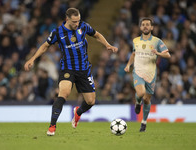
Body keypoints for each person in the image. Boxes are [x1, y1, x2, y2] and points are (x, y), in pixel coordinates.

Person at [24, 8, 118, 136]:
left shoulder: (84, 26)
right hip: (68, 68)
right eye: (74, 22)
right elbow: (45, 45)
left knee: (91, 101)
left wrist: (107, 45)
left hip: (84, 69)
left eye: (78, 21)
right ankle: (52, 126)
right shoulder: (58, 32)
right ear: (67, 19)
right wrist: (33, 59)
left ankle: (78, 113)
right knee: (64, 93)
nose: (77, 24)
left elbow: (97, 34)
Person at [124, 18, 170, 132]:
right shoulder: (135, 40)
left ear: (152, 27)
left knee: (147, 100)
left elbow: (168, 55)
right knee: (140, 93)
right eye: (143, 24)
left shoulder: (157, 41)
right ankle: (137, 102)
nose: (145, 26)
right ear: (140, 27)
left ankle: (144, 122)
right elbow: (134, 54)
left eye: (147, 25)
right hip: (138, 72)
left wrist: (158, 53)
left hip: (151, 74)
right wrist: (128, 65)